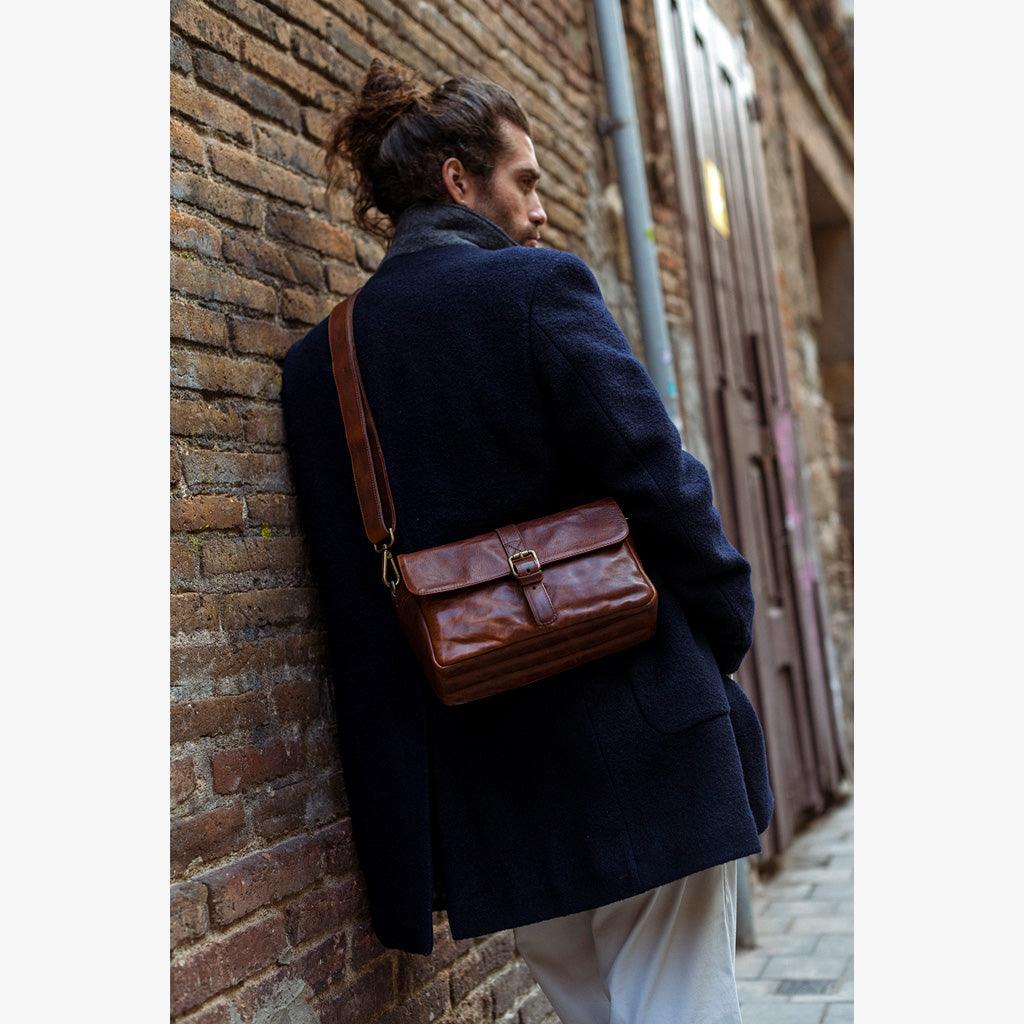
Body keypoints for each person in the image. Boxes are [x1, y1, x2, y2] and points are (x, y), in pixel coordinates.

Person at [281, 58, 774, 1022]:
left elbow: (354, 602)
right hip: (641, 730)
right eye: (527, 181)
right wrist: (718, 630)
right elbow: (662, 481)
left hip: (487, 774)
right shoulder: (535, 290)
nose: (540, 211)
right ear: (459, 181)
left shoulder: (320, 364)